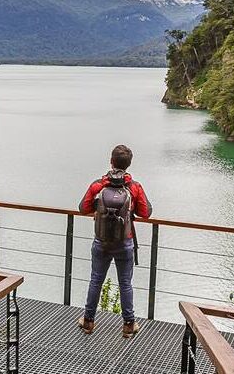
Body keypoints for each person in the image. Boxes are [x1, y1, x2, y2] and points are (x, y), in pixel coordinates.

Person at [76, 144, 152, 338]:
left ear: (111, 161)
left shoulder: (98, 185)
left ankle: (88, 322)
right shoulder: (133, 187)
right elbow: (146, 213)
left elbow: (82, 208)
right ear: (128, 165)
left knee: (95, 281)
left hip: (101, 242)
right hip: (124, 243)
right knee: (125, 283)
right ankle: (128, 324)